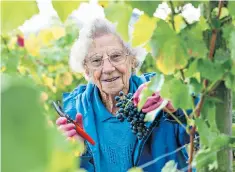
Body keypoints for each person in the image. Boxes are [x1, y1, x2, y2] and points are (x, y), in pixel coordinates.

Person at [56, 18, 194, 172]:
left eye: (116, 56)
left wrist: (178, 109)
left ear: (132, 60)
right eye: (96, 61)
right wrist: (76, 154)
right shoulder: (73, 113)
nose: (108, 68)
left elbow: (204, 133)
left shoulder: (158, 91)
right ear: (86, 70)